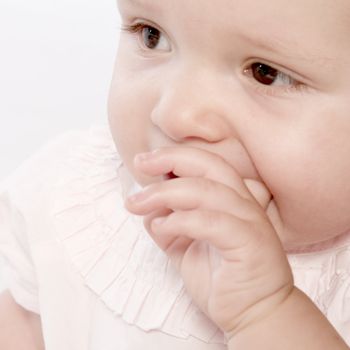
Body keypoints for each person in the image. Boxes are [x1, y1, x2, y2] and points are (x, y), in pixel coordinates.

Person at [0, 0, 349, 348]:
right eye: (152, 35)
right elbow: (27, 325)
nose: (174, 114)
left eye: (265, 73)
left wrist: (264, 311)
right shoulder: (70, 199)